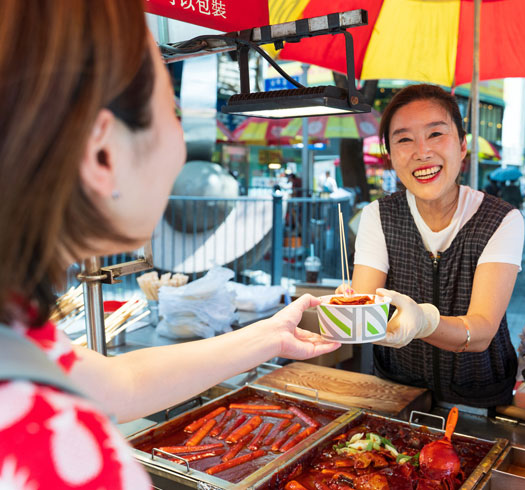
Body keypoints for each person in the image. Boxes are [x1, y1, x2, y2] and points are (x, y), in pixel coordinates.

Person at [0, 2, 339, 487]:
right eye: (171, 113)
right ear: (102, 152)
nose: (182, 147)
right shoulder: (55, 450)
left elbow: (122, 383)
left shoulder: (19, 336)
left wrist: (269, 335)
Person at [348, 84, 524, 407]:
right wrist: (347, 313)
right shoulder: (378, 216)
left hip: (479, 399)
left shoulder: (502, 219)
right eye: (404, 139)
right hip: (398, 394)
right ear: (390, 156)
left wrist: (424, 322)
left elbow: (482, 330)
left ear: (462, 146)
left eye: (436, 134)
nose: (422, 152)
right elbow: (366, 312)